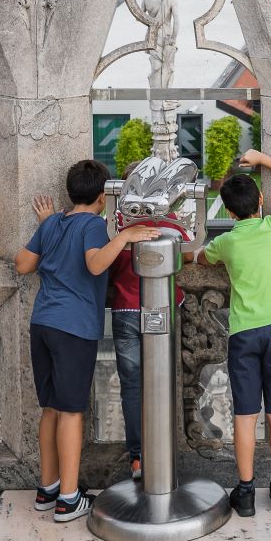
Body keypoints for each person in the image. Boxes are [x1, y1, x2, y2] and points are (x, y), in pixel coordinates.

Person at [14, 158, 159, 524]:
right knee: (72, 411)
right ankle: (68, 498)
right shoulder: (94, 225)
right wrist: (124, 236)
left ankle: (47, 489)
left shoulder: (54, 224)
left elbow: (22, 264)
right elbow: (96, 265)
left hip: (42, 323)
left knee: (50, 407)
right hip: (73, 328)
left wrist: (47, 228)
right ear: (101, 196)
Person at [201, 147, 271, 517]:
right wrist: (261, 159)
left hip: (243, 334)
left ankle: (244, 493)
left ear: (228, 212)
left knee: (246, 414)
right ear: (261, 201)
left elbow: (198, 256)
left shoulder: (226, 243)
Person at [108, 200, 190, 483]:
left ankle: (138, 457)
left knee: (131, 387)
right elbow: (189, 254)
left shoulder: (116, 223)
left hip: (124, 309)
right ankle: (165, 455)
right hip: (162, 307)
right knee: (163, 381)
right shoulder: (169, 221)